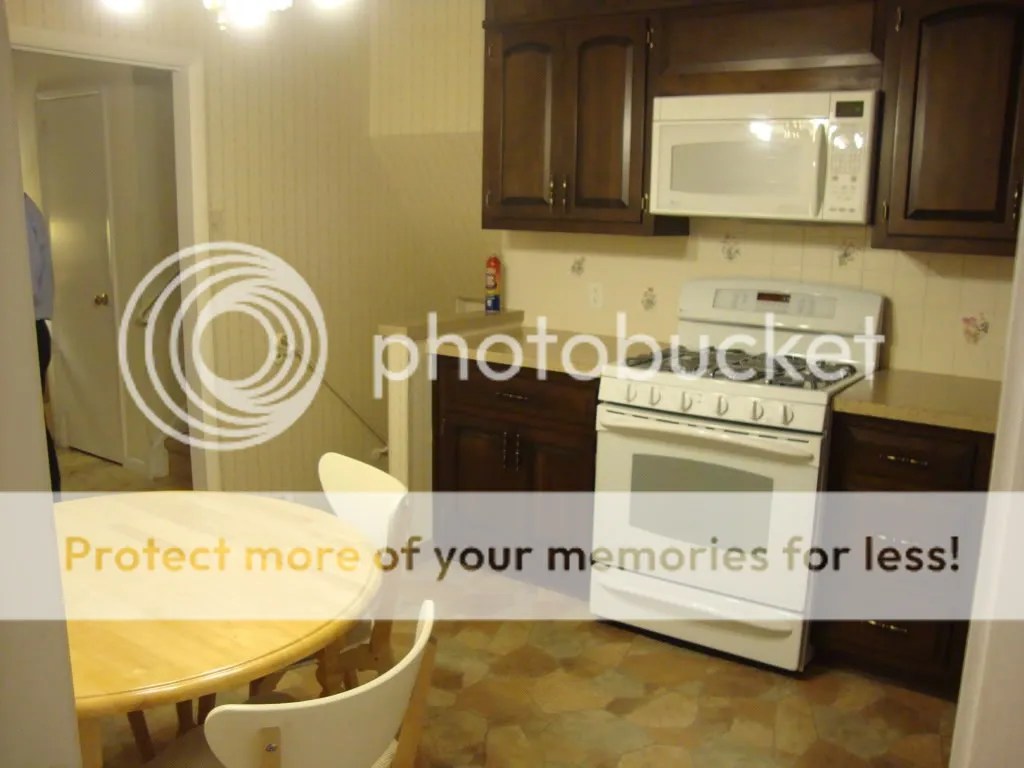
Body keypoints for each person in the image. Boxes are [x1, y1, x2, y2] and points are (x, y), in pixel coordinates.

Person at [25, 192, 61, 493]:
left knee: (27, 425)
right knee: (29, 424)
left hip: (25, 330)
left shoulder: (16, 211)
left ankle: (47, 502)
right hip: (28, 328)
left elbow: (23, 283)